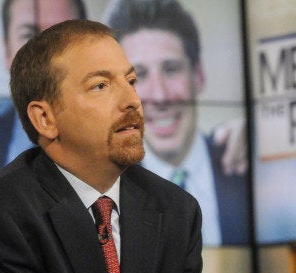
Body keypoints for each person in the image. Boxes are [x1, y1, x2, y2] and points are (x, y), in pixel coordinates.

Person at [0, 19, 210, 273]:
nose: (132, 100)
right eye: (100, 85)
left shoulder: (176, 210)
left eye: (131, 81)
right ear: (45, 119)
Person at [105, 0, 249, 245]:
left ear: (199, 75)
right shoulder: (105, 194)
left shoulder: (244, 163)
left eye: (171, 69)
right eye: (138, 76)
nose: (160, 96)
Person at [0, 0, 87, 190]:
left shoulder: (120, 140)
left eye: (62, 36)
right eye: (29, 35)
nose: (47, 56)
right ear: (6, 51)